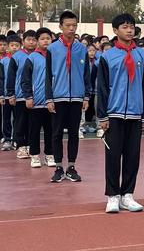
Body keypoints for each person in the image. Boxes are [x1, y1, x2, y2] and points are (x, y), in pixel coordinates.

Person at [97, 13, 144, 213]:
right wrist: (102, 116)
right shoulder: (107, 56)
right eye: (125, 27)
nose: (129, 30)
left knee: (132, 156)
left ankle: (128, 194)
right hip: (114, 113)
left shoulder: (143, 56)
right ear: (115, 31)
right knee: (113, 155)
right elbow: (102, 88)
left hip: (136, 113)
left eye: (132, 27)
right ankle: (113, 196)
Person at [46, 11, 91, 183]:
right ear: (60, 26)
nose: (72, 29)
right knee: (56, 133)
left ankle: (71, 166)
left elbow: (86, 74)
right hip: (58, 97)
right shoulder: (52, 49)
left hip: (77, 97)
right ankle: (58, 167)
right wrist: (49, 98)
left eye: (74, 25)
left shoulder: (82, 49)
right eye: (68, 26)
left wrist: (86, 96)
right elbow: (48, 75)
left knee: (74, 133)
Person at [21, 28, 55, 168]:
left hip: (52, 102)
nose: (46, 40)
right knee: (34, 131)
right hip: (36, 102)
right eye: (42, 38)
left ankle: (49, 155)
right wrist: (28, 96)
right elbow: (25, 80)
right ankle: (34, 155)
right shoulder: (32, 58)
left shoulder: (55, 56)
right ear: (37, 41)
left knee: (51, 130)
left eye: (48, 38)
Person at [7, 30, 37, 159]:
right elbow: (11, 77)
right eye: (29, 39)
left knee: (33, 123)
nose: (31, 42)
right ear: (23, 41)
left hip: (37, 96)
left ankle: (31, 146)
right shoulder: (17, 56)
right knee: (20, 122)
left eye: (34, 40)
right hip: (20, 96)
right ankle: (21, 146)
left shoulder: (40, 55)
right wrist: (11, 94)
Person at [1, 35, 21, 151]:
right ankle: (7, 139)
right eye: (12, 45)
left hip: (19, 95)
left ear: (20, 46)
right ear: (8, 47)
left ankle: (17, 140)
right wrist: (2, 94)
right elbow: (1, 78)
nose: (14, 48)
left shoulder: (23, 59)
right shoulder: (3, 61)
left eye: (17, 45)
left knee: (18, 118)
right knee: (6, 117)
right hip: (6, 94)